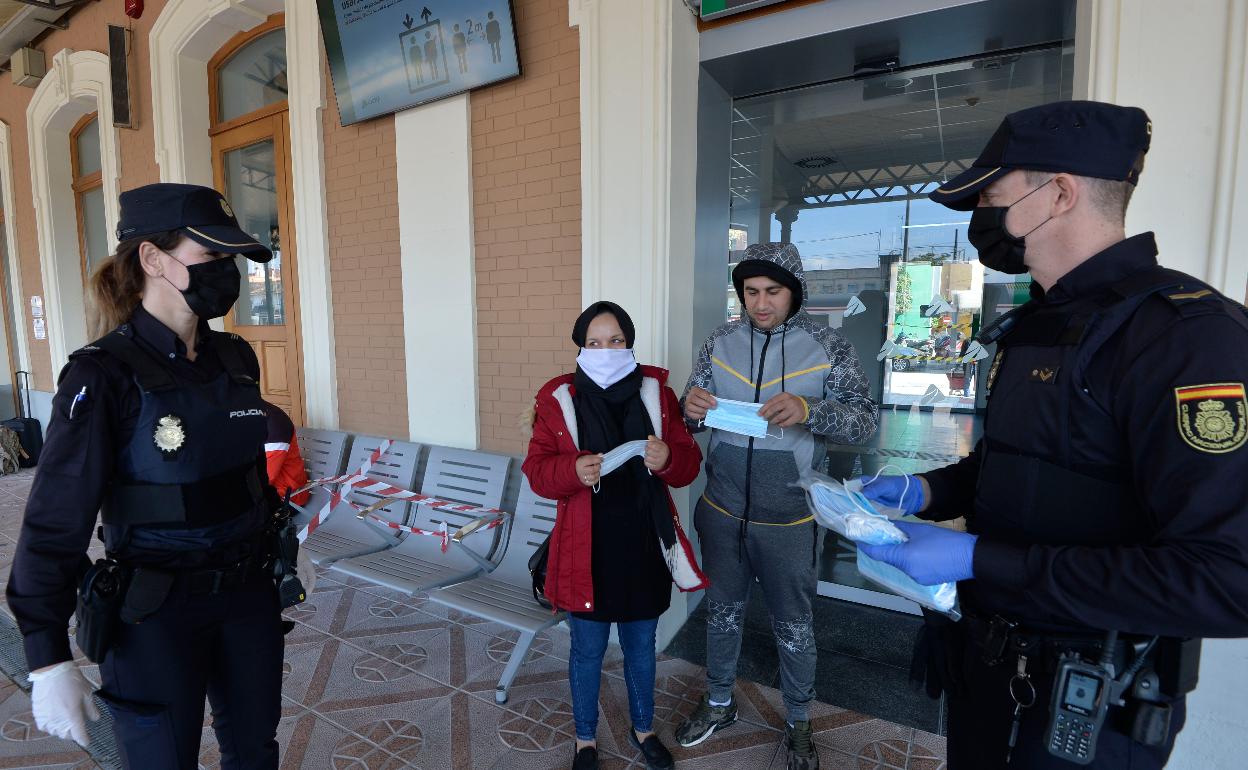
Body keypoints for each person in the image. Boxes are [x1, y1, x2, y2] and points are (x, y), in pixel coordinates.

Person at [854, 100, 1248, 768]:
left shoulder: (1187, 339)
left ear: (1059, 194)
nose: (985, 218)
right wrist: (921, 490)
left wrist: (979, 559)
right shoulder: (1036, 326)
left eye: (995, 197)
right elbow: (1015, 467)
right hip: (990, 666)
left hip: (1092, 701)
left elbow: (1226, 580)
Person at [6, 183, 296, 768]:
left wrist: (283, 537)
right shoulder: (104, 374)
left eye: (230, 259)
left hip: (247, 597)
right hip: (154, 613)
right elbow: (54, 521)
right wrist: (47, 658)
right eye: (211, 255)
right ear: (152, 258)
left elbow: (243, 474)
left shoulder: (236, 359)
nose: (226, 271)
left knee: (256, 752)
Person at [677, 242, 879, 770]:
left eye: (772, 291)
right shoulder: (721, 339)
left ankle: (799, 722)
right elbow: (691, 414)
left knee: (794, 624)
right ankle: (719, 703)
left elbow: (865, 420)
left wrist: (810, 410)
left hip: (790, 516)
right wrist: (689, 407)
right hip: (721, 510)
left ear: (795, 292)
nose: (760, 303)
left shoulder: (828, 345)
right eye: (750, 292)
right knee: (720, 615)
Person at [523, 301, 706, 770]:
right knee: (586, 650)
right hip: (585, 551)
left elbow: (687, 465)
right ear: (580, 347)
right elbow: (538, 472)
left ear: (630, 343)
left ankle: (643, 729)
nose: (606, 351)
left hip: (644, 546)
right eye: (594, 343)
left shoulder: (656, 394)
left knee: (641, 647)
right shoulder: (558, 398)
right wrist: (570, 469)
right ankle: (585, 739)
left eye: (616, 341)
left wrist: (667, 458)